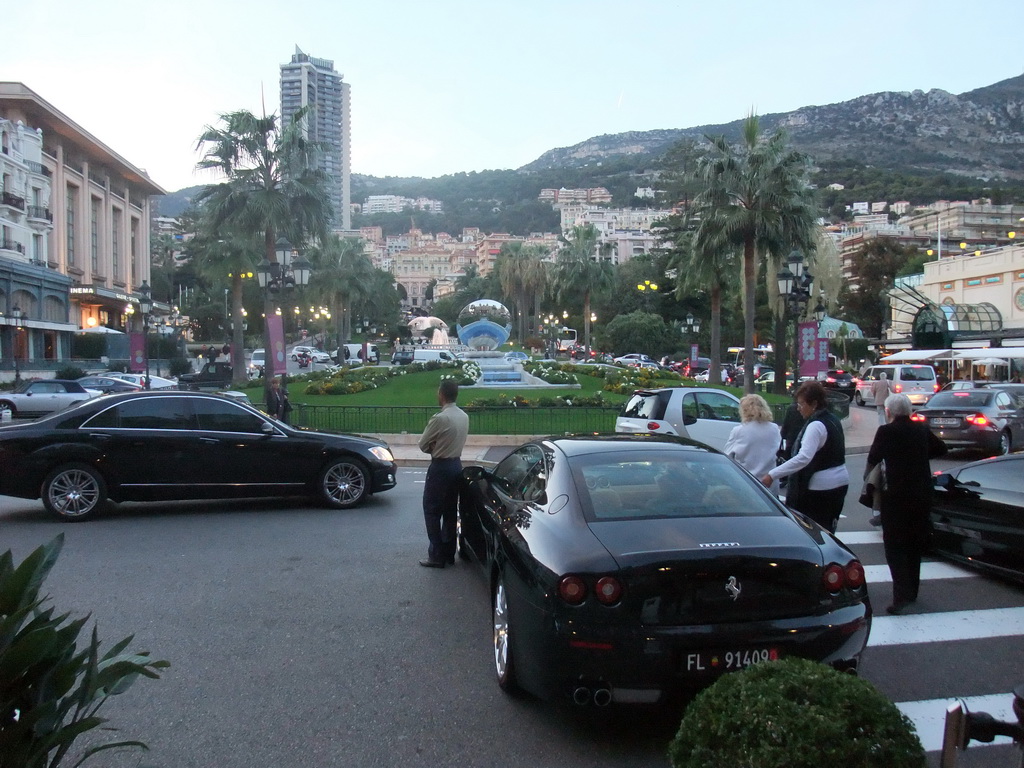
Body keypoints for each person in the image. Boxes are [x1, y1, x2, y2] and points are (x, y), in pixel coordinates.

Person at [866, 393, 947, 615]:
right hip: (921, 495)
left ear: (889, 411)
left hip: (895, 496)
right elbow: (941, 448)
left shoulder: (886, 431)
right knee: (914, 545)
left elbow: (873, 456)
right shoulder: (920, 430)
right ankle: (912, 591)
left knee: (895, 546)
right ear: (909, 410)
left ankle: (900, 596)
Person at [761, 381, 849, 533]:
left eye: (801, 404)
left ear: (814, 404)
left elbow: (803, 458)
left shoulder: (815, 426)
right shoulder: (832, 419)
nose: (798, 408)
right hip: (840, 480)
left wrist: (772, 474)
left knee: (814, 531)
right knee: (828, 528)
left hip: (821, 487)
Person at [418, 379, 469, 568]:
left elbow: (423, 444)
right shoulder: (463, 416)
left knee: (431, 510)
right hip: (456, 465)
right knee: (449, 511)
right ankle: (448, 553)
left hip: (440, 467)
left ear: (441, 394)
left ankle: (436, 554)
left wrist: (435, 447)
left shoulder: (440, 418)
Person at [724, 395, 782, 495]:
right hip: (769, 482)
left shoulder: (739, 430)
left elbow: (727, 455)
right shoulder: (774, 429)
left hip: (747, 482)